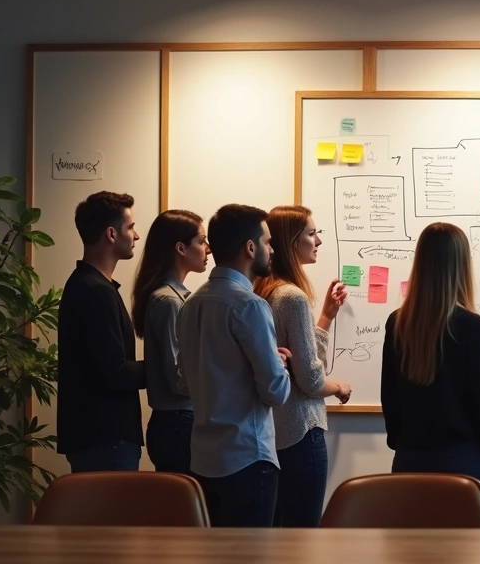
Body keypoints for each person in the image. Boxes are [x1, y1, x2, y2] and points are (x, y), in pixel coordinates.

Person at [380, 222, 480, 527]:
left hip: (409, 463)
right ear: (462, 265)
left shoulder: (397, 323)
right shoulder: (472, 327)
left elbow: (390, 399)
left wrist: (405, 445)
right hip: (466, 466)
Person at [176, 204, 291, 528]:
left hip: (203, 460)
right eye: (267, 242)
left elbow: (185, 383)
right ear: (250, 248)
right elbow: (276, 393)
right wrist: (279, 365)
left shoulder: (191, 304)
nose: (272, 249)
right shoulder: (251, 306)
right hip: (247, 458)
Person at [253, 205, 352, 528]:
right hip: (300, 431)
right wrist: (338, 387)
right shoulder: (292, 297)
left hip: (274, 434)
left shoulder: (265, 292)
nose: (318, 242)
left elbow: (301, 360)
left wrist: (325, 317)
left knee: (280, 529)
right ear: (291, 242)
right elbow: (310, 379)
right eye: (311, 234)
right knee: (304, 533)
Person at [56, 191, 145, 472]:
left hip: (99, 439)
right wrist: (170, 367)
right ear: (111, 234)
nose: (136, 235)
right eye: (130, 228)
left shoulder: (88, 285)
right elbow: (114, 373)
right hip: (107, 440)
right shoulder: (95, 292)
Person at [130, 209, 208, 476]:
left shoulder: (177, 297)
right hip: (179, 424)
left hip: (180, 423)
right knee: (186, 513)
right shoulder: (169, 301)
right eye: (201, 241)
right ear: (181, 248)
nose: (207, 249)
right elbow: (178, 378)